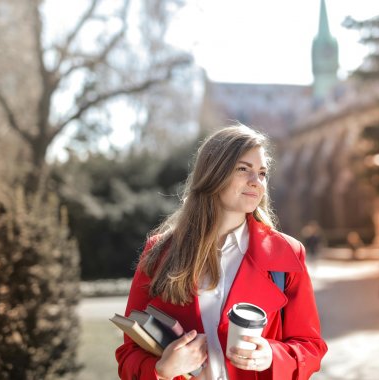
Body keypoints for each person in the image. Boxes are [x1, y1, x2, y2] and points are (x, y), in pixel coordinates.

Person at [115, 125, 328, 380]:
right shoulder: (159, 252)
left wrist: (271, 355)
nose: (256, 181)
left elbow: (310, 347)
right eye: (243, 169)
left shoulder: (287, 254)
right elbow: (129, 353)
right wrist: (162, 371)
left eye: (262, 173)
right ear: (213, 174)